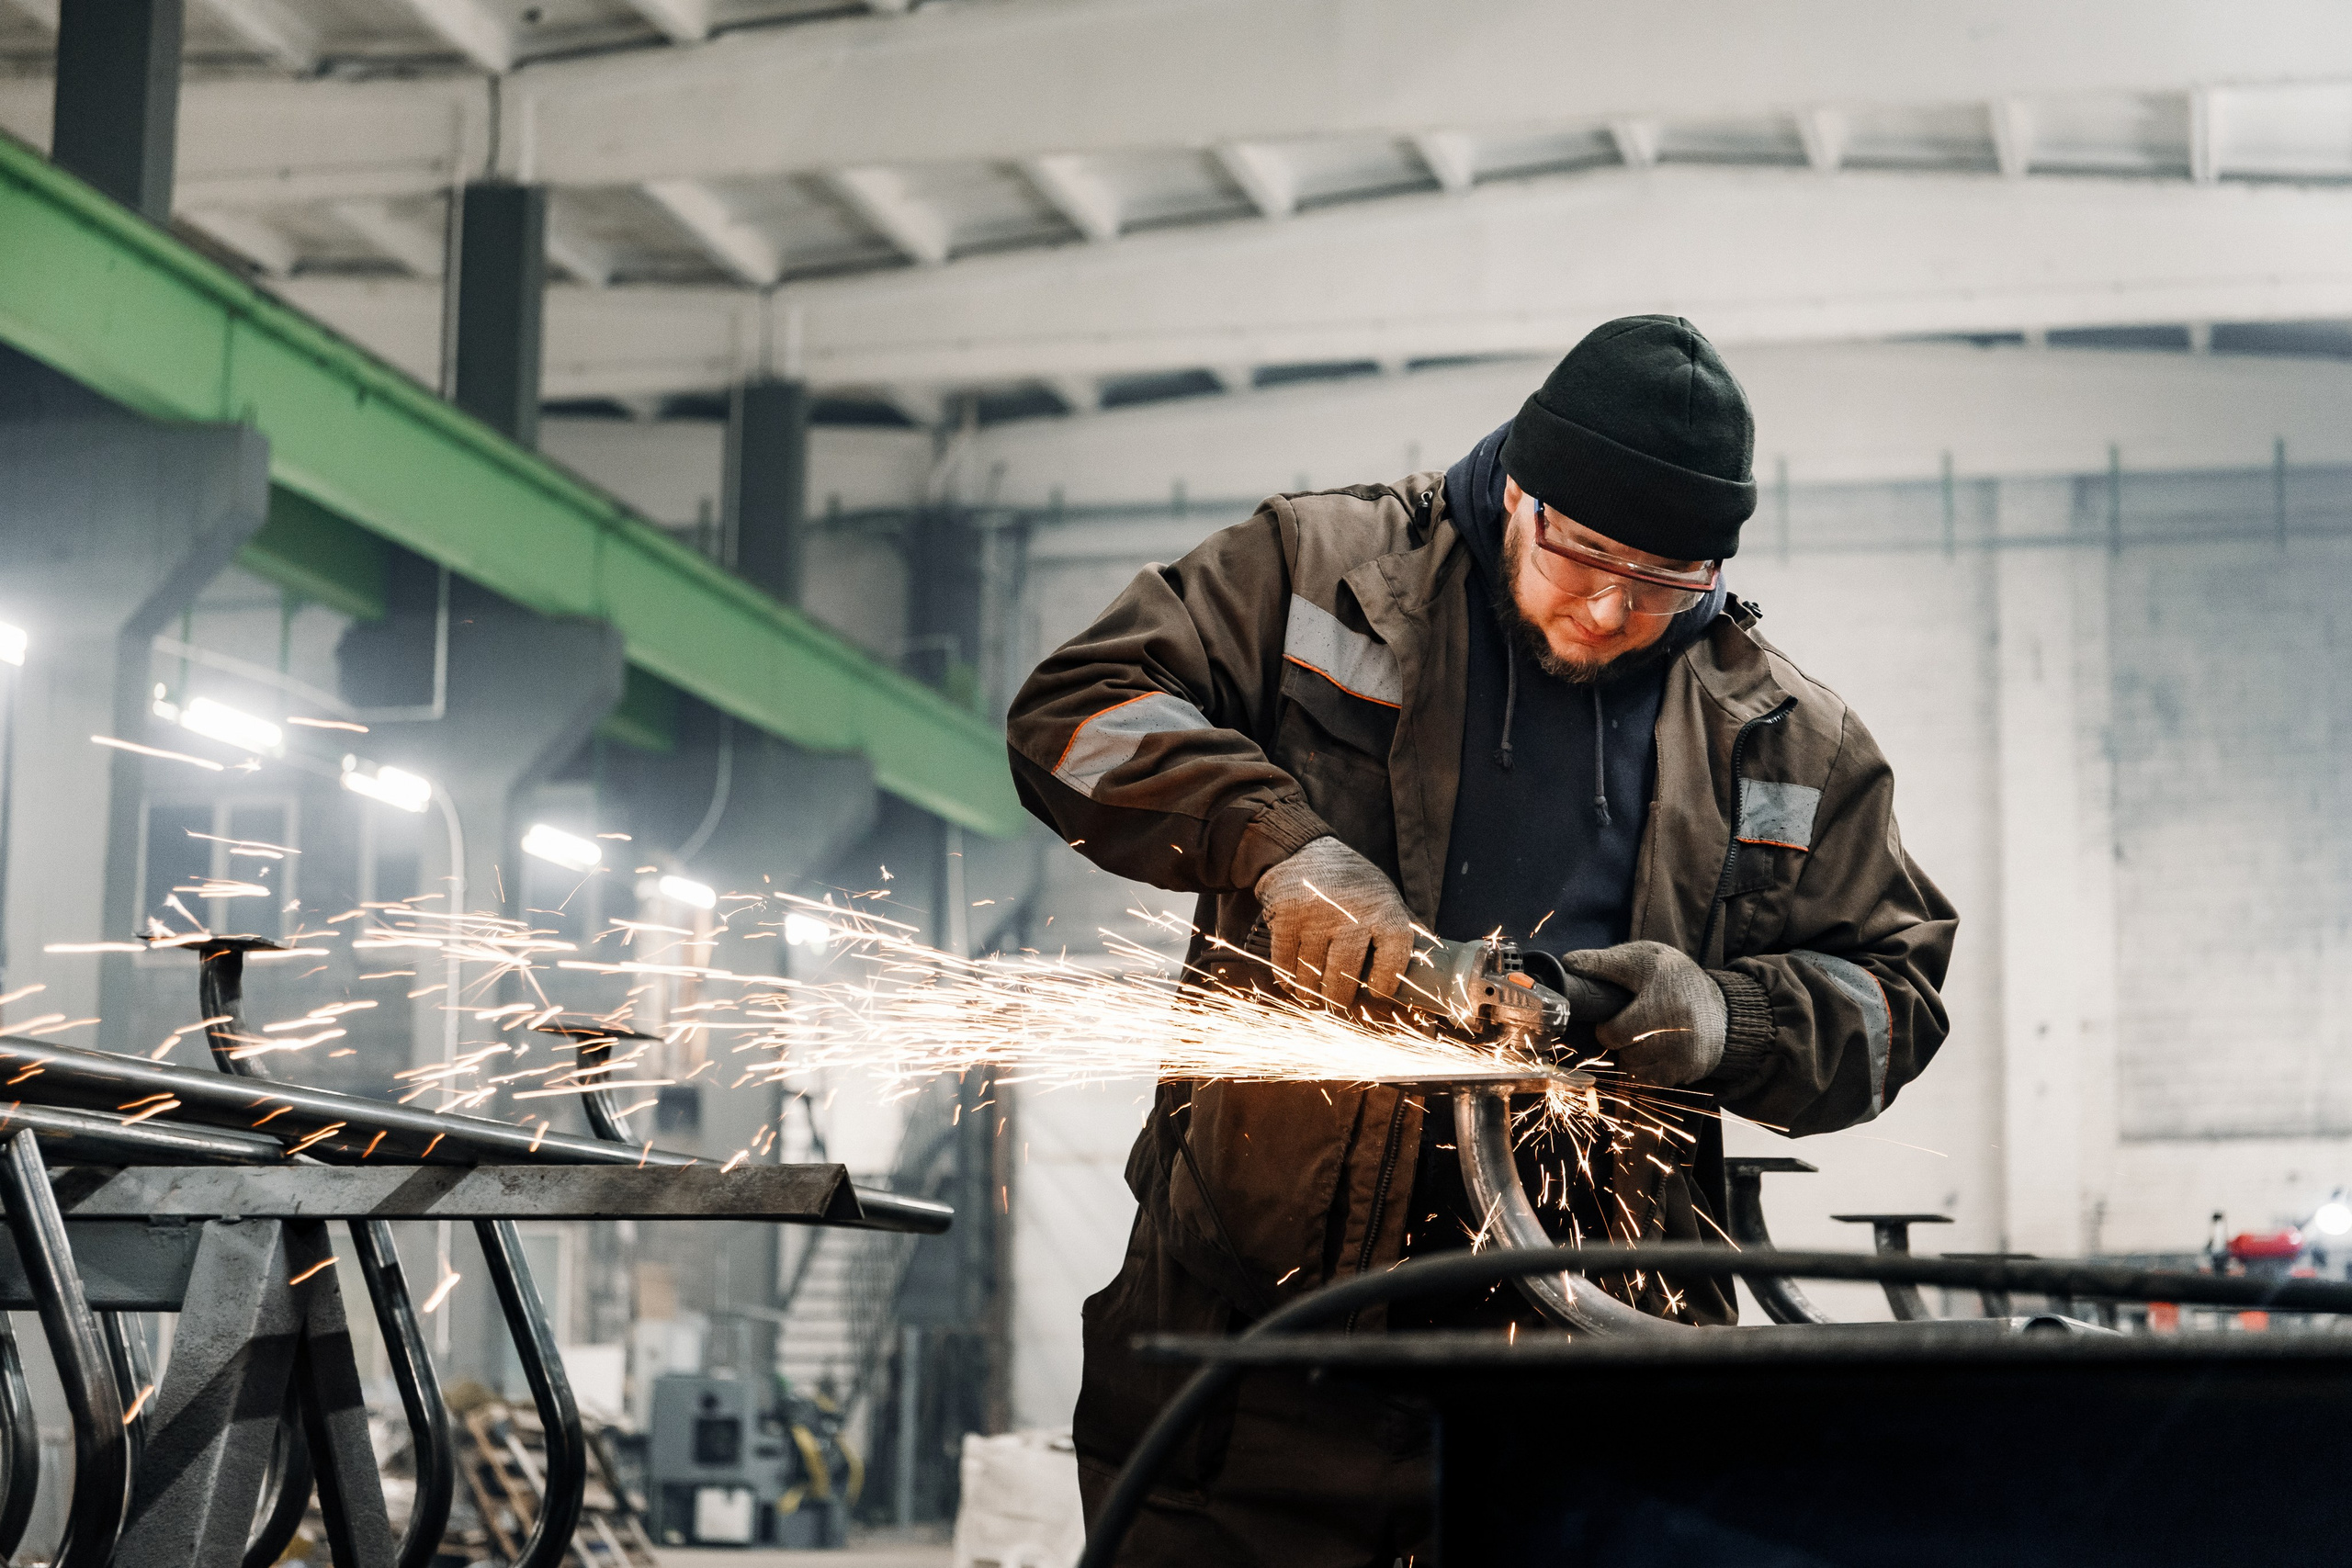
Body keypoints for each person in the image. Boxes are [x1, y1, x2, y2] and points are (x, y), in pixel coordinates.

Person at [1005, 316, 1958, 1565]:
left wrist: (1729, 1021)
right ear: (1518, 489)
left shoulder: (1787, 739)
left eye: (1669, 583)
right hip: (1259, 1366)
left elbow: (1895, 995)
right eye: (1588, 557)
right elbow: (1075, 713)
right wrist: (1277, 850)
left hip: (1594, 1384)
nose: (1616, 609)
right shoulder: (1315, 573)